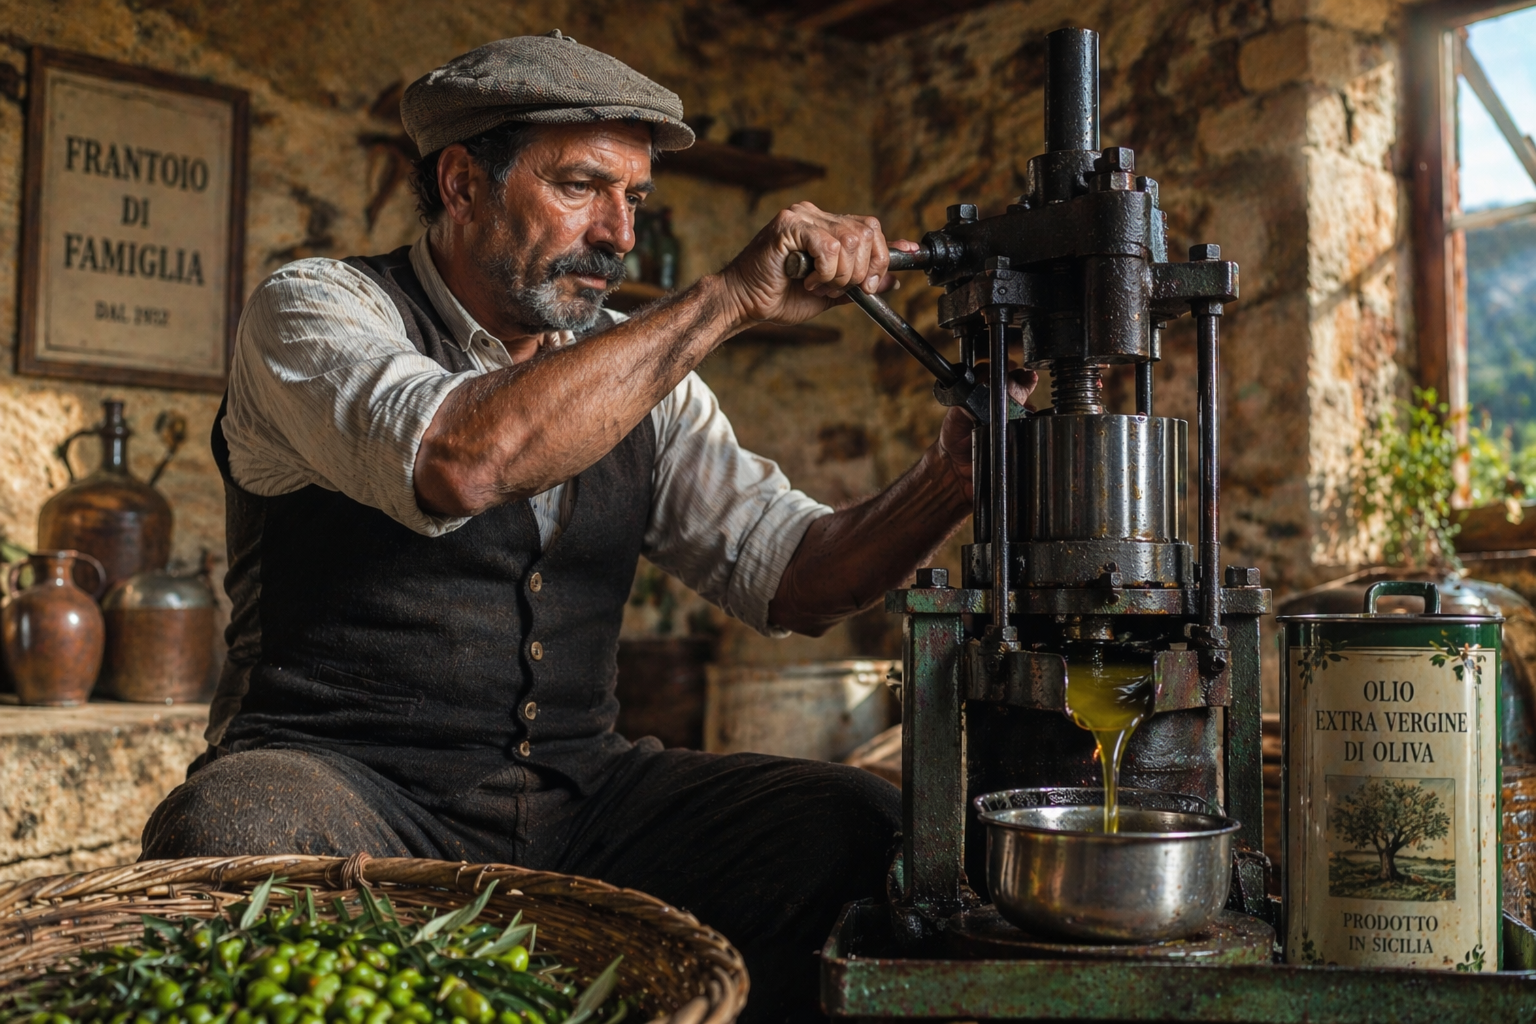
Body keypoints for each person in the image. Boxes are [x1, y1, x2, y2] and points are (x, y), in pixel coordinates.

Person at [142, 33, 1033, 1023]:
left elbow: (796, 575)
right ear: (462, 183)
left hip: (581, 801)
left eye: (635, 198)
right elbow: (462, 458)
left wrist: (952, 477)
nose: (616, 230)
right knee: (230, 825)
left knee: (857, 826)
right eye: (581, 186)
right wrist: (730, 295)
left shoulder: (642, 371)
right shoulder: (318, 309)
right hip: (352, 788)